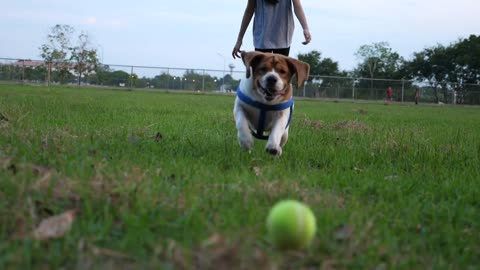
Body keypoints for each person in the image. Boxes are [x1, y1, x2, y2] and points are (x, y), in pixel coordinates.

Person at [232, 0, 311, 59]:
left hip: (282, 37)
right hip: (263, 39)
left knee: (279, 73)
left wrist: (305, 28)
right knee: (263, 72)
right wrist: (239, 39)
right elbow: (249, 10)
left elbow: (297, 6)